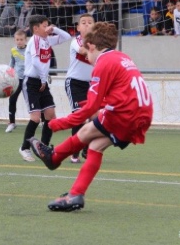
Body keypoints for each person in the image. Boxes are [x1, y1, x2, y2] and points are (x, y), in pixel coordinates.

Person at [29, 22, 153, 212]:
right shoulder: (122, 57)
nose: (88, 59)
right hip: (142, 113)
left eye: (87, 55)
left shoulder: (103, 63)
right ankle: (75, 194)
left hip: (126, 113)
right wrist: (99, 106)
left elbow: (91, 109)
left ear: (92, 46)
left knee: (88, 128)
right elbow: (122, 92)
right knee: (95, 145)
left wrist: (57, 124)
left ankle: (54, 157)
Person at [18, 15, 71, 162]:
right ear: (36, 28)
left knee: (50, 115)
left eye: (48, 25)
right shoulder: (34, 40)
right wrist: (42, 78)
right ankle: (24, 148)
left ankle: (44, 147)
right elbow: (35, 61)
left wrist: (54, 29)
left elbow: (66, 37)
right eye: (44, 25)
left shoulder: (47, 39)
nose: (47, 28)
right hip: (32, 82)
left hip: (42, 82)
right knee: (35, 118)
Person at [65, 14, 94, 163]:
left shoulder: (98, 44)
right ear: (78, 27)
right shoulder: (76, 41)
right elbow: (83, 51)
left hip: (91, 85)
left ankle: (86, 149)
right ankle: (74, 152)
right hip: (74, 83)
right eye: (83, 22)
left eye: (90, 22)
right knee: (79, 117)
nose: (87, 25)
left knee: (93, 118)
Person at [6, 29, 27, 133]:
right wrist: (9, 74)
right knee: (12, 100)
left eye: (21, 39)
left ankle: (41, 121)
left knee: (33, 101)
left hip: (28, 79)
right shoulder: (13, 50)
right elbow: (12, 63)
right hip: (17, 79)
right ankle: (11, 123)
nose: (19, 41)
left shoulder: (30, 50)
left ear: (25, 40)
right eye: (17, 39)